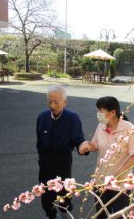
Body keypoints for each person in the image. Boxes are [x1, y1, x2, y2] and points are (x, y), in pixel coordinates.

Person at [79, 96, 134, 219]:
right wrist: (86, 145)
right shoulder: (101, 126)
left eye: (101, 110)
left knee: (119, 216)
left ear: (113, 112)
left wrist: (118, 173)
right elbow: (96, 145)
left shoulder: (128, 128)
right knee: (101, 215)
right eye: (98, 110)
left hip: (120, 184)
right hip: (100, 181)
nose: (98, 114)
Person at [36, 84, 88, 219]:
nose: (52, 105)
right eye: (49, 101)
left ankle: (65, 211)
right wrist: (41, 159)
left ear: (65, 102)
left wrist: (83, 147)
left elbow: (79, 139)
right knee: (46, 192)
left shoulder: (72, 118)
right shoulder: (42, 117)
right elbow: (39, 142)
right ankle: (50, 214)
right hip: (46, 161)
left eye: (56, 102)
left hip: (63, 160)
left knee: (64, 190)